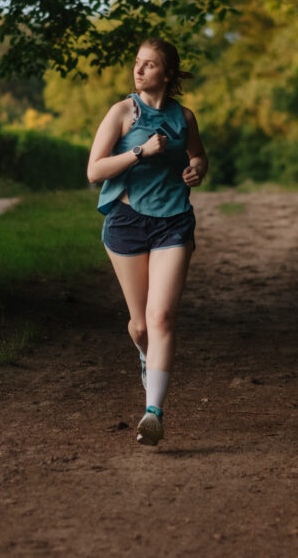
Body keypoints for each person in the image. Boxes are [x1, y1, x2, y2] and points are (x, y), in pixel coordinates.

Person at [86, 38, 208, 446]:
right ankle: (145, 357)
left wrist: (195, 169)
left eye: (149, 65)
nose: (139, 70)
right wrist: (139, 151)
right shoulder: (122, 112)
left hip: (173, 221)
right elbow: (94, 171)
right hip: (126, 221)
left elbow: (198, 157)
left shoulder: (184, 117)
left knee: (161, 318)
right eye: (137, 63)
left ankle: (153, 412)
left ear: (167, 74)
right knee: (140, 327)